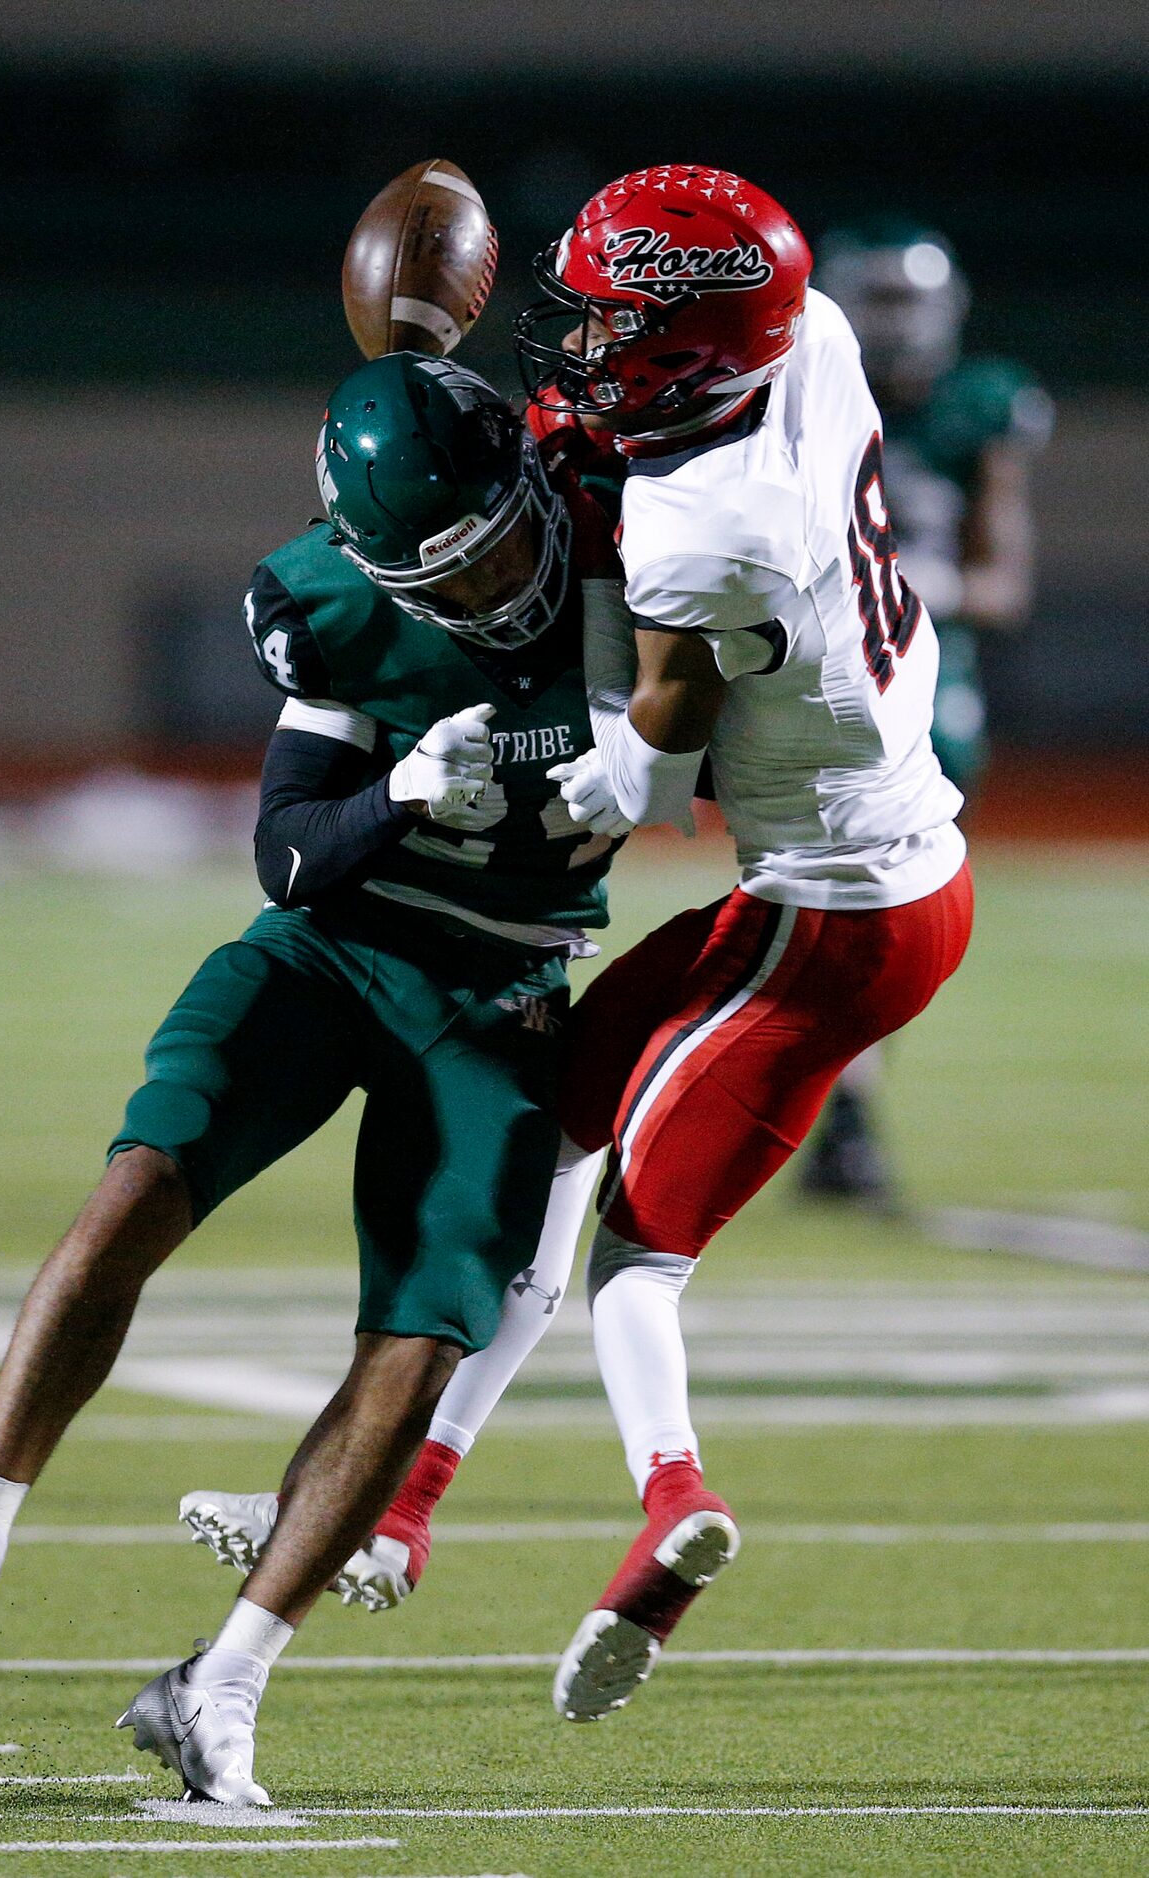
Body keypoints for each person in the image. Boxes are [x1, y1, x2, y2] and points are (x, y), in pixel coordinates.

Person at [0, 352, 633, 1802]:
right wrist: (400, 792)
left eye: (495, 554)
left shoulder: (645, 554)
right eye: (442, 582)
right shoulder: (337, 597)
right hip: (332, 951)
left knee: (423, 1342)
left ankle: (223, 1686)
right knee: (144, 1178)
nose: (484, 599)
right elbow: (288, 851)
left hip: (502, 988)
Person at [510, 163, 974, 1720]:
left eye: (610, 317)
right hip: (887, 868)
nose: (576, 336)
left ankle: (667, 1504)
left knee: (639, 1262)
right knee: (571, 1090)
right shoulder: (810, 332)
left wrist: (465, 765)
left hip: (832, 910)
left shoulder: (706, 531)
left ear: (690, 344)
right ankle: (410, 1486)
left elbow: (635, 778)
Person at [795, 217, 1052, 1202]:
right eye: (884, 303)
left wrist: (921, 586)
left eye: (914, 302)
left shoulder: (976, 409)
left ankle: (843, 1113)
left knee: (882, 920)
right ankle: (841, 1119)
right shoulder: (805, 398)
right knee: (831, 904)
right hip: (818, 678)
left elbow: (1003, 583)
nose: (901, 326)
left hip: (931, 691)